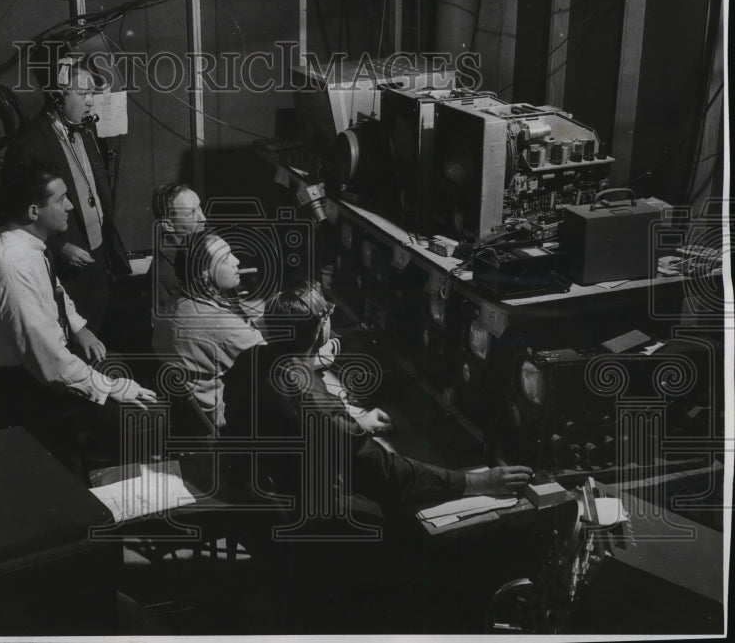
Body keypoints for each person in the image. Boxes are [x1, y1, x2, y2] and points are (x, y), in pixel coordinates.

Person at [222, 281, 534, 511]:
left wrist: (351, 423)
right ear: (319, 331)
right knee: (409, 518)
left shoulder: (249, 361)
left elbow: (299, 422)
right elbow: (385, 470)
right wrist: (476, 481)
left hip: (259, 493)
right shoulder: (311, 397)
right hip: (313, 514)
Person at [0, 161, 157, 464]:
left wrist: (79, 327)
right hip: (25, 385)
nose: (70, 205)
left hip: (40, 365)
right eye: (61, 199)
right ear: (33, 211)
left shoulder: (22, 241)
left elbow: (54, 289)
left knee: (121, 366)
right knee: (135, 414)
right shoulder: (14, 267)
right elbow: (50, 364)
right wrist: (111, 388)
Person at [0, 50, 129, 335]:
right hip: (65, 269)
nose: (89, 101)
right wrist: (59, 248)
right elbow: (13, 215)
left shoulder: (85, 131)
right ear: (58, 96)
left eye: (92, 93)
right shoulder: (30, 144)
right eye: (82, 93)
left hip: (97, 260)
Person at [152, 230, 265, 433]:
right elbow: (276, 361)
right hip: (222, 416)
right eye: (225, 258)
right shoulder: (224, 327)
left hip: (190, 412)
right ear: (204, 275)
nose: (236, 261)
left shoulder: (173, 304)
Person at [150, 182, 206, 312]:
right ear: (169, 225)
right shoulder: (166, 275)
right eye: (191, 213)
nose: (203, 218)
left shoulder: (194, 244)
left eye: (199, 207)